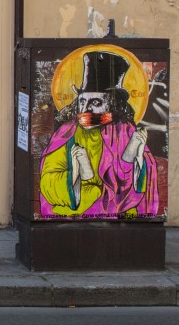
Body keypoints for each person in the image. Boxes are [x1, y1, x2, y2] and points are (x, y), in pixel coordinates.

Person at [39, 49, 158, 218]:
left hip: (118, 209)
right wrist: (77, 172)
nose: (85, 109)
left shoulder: (126, 131)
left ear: (112, 105)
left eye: (95, 102)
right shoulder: (66, 134)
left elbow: (133, 188)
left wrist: (133, 153)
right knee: (91, 193)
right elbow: (47, 181)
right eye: (82, 102)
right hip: (79, 204)